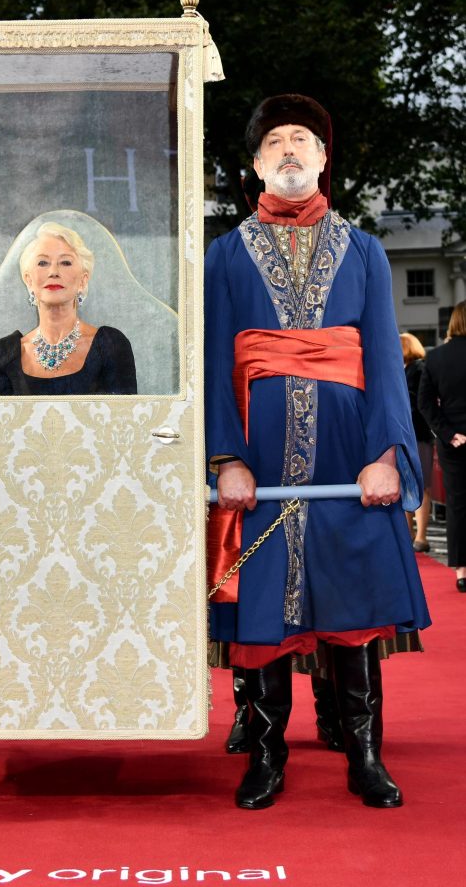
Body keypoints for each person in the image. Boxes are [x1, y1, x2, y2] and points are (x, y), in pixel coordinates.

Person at [205, 94, 430, 810]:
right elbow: (212, 362)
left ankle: (364, 755)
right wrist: (226, 457)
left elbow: (386, 365)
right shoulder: (223, 253)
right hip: (259, 466)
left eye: (304, 139)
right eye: (277, 143)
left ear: (325, 159)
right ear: (257, 163)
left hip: (349, 460)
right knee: (263, 614)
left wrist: (388, 454)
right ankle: (265, 758)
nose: (291, 150)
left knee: (357, 606)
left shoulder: (365, 249)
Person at [0, 222, 137, 395]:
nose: (53, 272)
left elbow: (124, 419)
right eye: (43, 262)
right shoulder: (5, 355)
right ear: (29, 280)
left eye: (65, 262)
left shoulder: (110, 346)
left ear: (83, 280)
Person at [419, 302, 466, 592]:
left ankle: (462, 571)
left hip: (453, 443)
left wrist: (449, 434)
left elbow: (424, 403)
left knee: (458, 507)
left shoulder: (436, 358)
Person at [401, 332, 434, 553]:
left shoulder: (419, 369)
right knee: (406, 484)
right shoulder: (404, 370)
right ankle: (409, 534)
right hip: (407, 434)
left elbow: (421, 402)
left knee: (421, 485)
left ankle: (421, 535)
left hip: (418, 434)